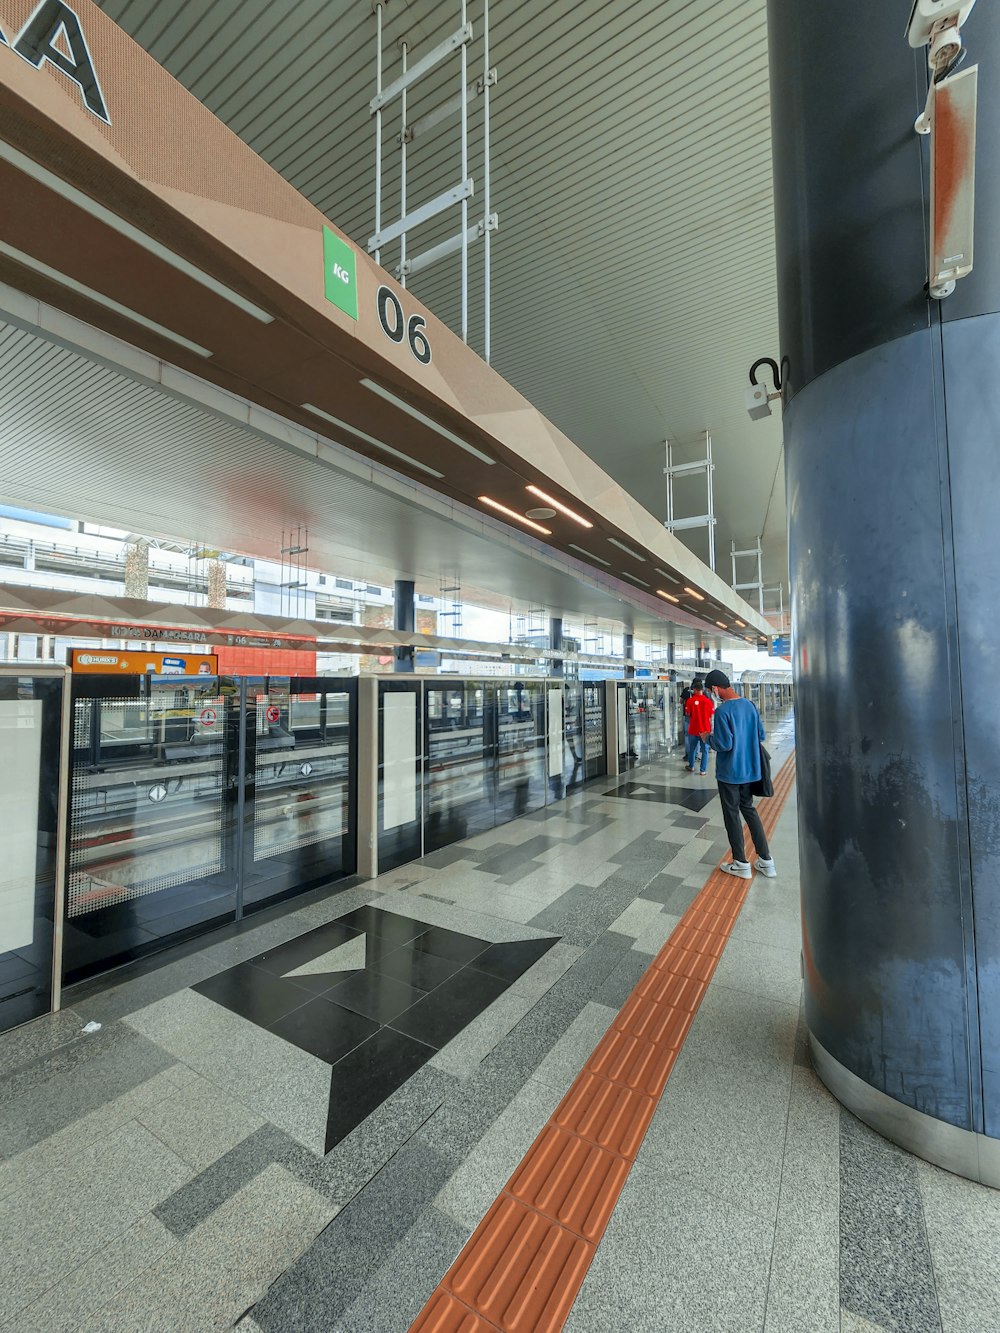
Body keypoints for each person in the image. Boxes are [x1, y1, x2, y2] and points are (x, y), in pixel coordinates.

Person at [701, 668, 776, 879]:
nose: (711, 694)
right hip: (751, 771)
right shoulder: (749, 705)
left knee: (732, 815)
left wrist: (708, 737)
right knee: (750, 811)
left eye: (710, 690)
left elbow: (724, 744)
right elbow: (760, 734)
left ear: (715, 688)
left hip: (730, 774)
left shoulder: (723, 711)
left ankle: (741, 863)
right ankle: (766, 861)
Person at [683, 680, 714, 775]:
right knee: (705, 750)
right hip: (705, 730)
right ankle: (703, 770)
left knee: (692, 749)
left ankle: (691, 766)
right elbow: (711, 715)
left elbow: (688, 714)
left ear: (695, 690)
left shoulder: (690, 701)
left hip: (694, 729)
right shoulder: (708, 701)